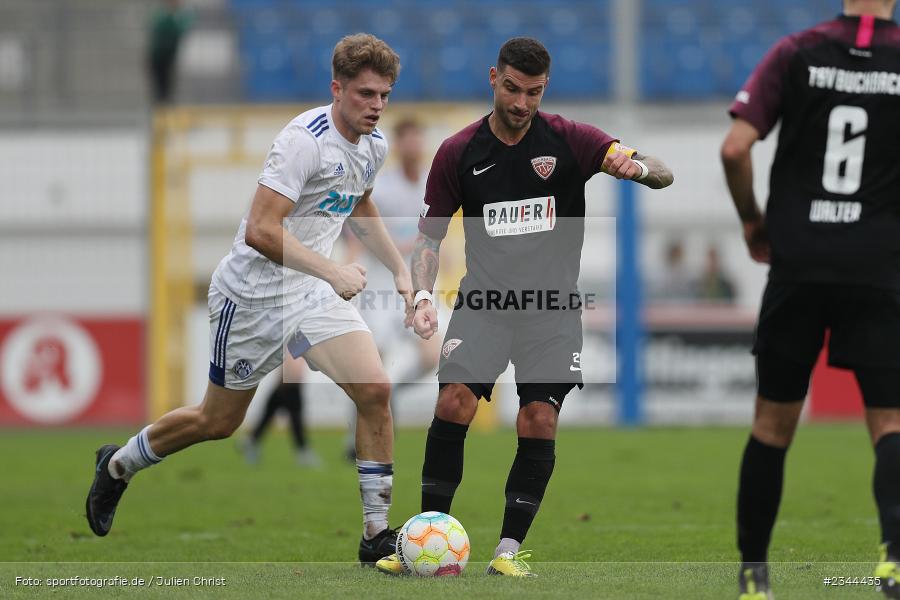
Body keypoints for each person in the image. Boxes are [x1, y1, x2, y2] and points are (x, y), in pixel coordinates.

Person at [86, 34, 411, 566]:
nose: (376, 106)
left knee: (375, 389)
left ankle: (376, 534)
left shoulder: (374, 146)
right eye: (366, 94)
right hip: (252, 297)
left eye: (385, 95)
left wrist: (398, 269)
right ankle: (118, 465)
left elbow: (359, 203)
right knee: (217, 423)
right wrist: (332, 268)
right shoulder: (303, 141)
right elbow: (262, 230)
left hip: (308, 292)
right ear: (338, 89)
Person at [375, 37, 673, 577]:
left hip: (553, 311)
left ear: (544, 90)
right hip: (484, 304)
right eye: (512, 88)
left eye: (533, 92)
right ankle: (425, 536)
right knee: (454, 404)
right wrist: (421, 297)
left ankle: (509, 551)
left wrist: (637, 167)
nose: (521, 103)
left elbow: (661, 170)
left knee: (538, 418)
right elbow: (428, 240)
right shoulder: (458, 152)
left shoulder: (571, 139)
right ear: (494, 78)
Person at [721, 1, 900, 597]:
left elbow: (734, 149)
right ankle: (893, 564)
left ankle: (753, 577)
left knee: (772, 424)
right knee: (891, 422)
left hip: (798, 262)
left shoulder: (797, 51)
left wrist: (752, 222)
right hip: (877, 264)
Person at [344, 117, 442, 461]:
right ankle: (355, 436)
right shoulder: (383, 189)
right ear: (399, 146)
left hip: (420, 283)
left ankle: (388, 396)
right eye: (408, 140)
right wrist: (353, 263)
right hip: (384, 281)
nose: (414, 146)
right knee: (375, 361)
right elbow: (357, 227)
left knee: (432, 356)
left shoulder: (431, 186)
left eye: (419, 139)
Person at [240, 362, 321, 468]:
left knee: (269, 415)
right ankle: (303, 452)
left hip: (284, 384)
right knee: (295, 420)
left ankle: (251, 441)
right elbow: (293, 364)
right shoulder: (295, 346)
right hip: (290, 385)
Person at [147, 0, 192, 104]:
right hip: (158, 57)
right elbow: (158, 28)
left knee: (168, 88)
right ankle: (161, 108)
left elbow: (183, 28)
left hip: (170, 56)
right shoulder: (162, 15)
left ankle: (165, 107)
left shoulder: (179, 16)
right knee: (160, 89)